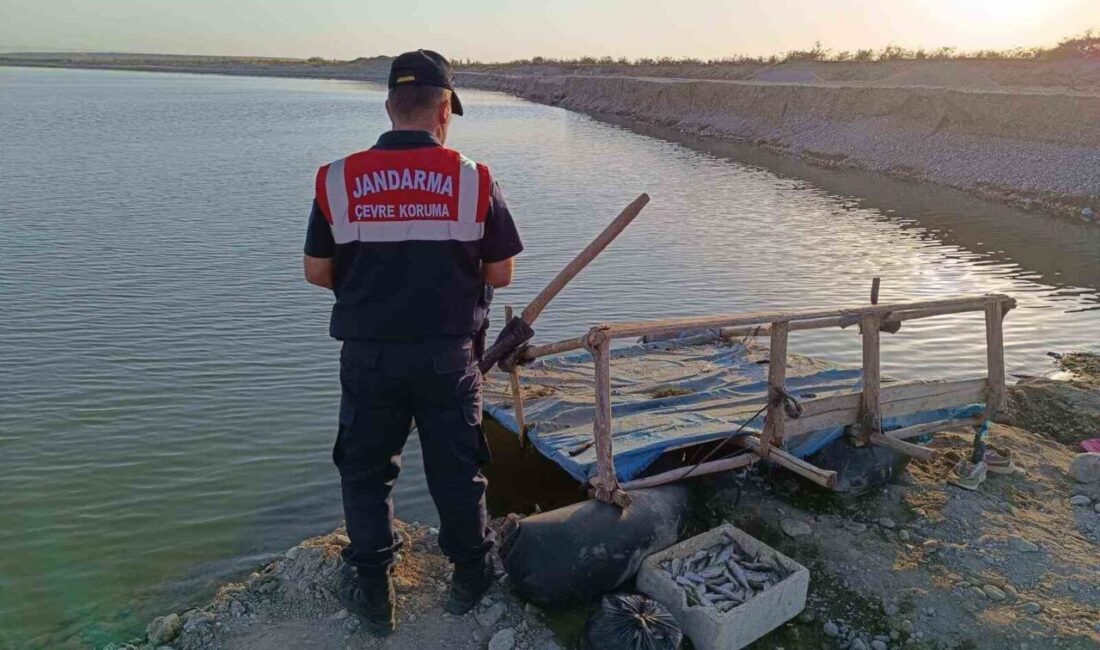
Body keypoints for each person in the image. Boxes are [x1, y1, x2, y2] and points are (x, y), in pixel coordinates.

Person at [302, 49, 523, 635]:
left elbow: (316, 272)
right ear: (444, 110)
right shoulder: (475, 177)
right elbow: (501, 274)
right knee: (455, 469)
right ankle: (471, 575)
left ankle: (374, 593)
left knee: (367, 471)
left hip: (369, 355)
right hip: (448, 357)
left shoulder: (339, 178)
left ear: (388, 106)